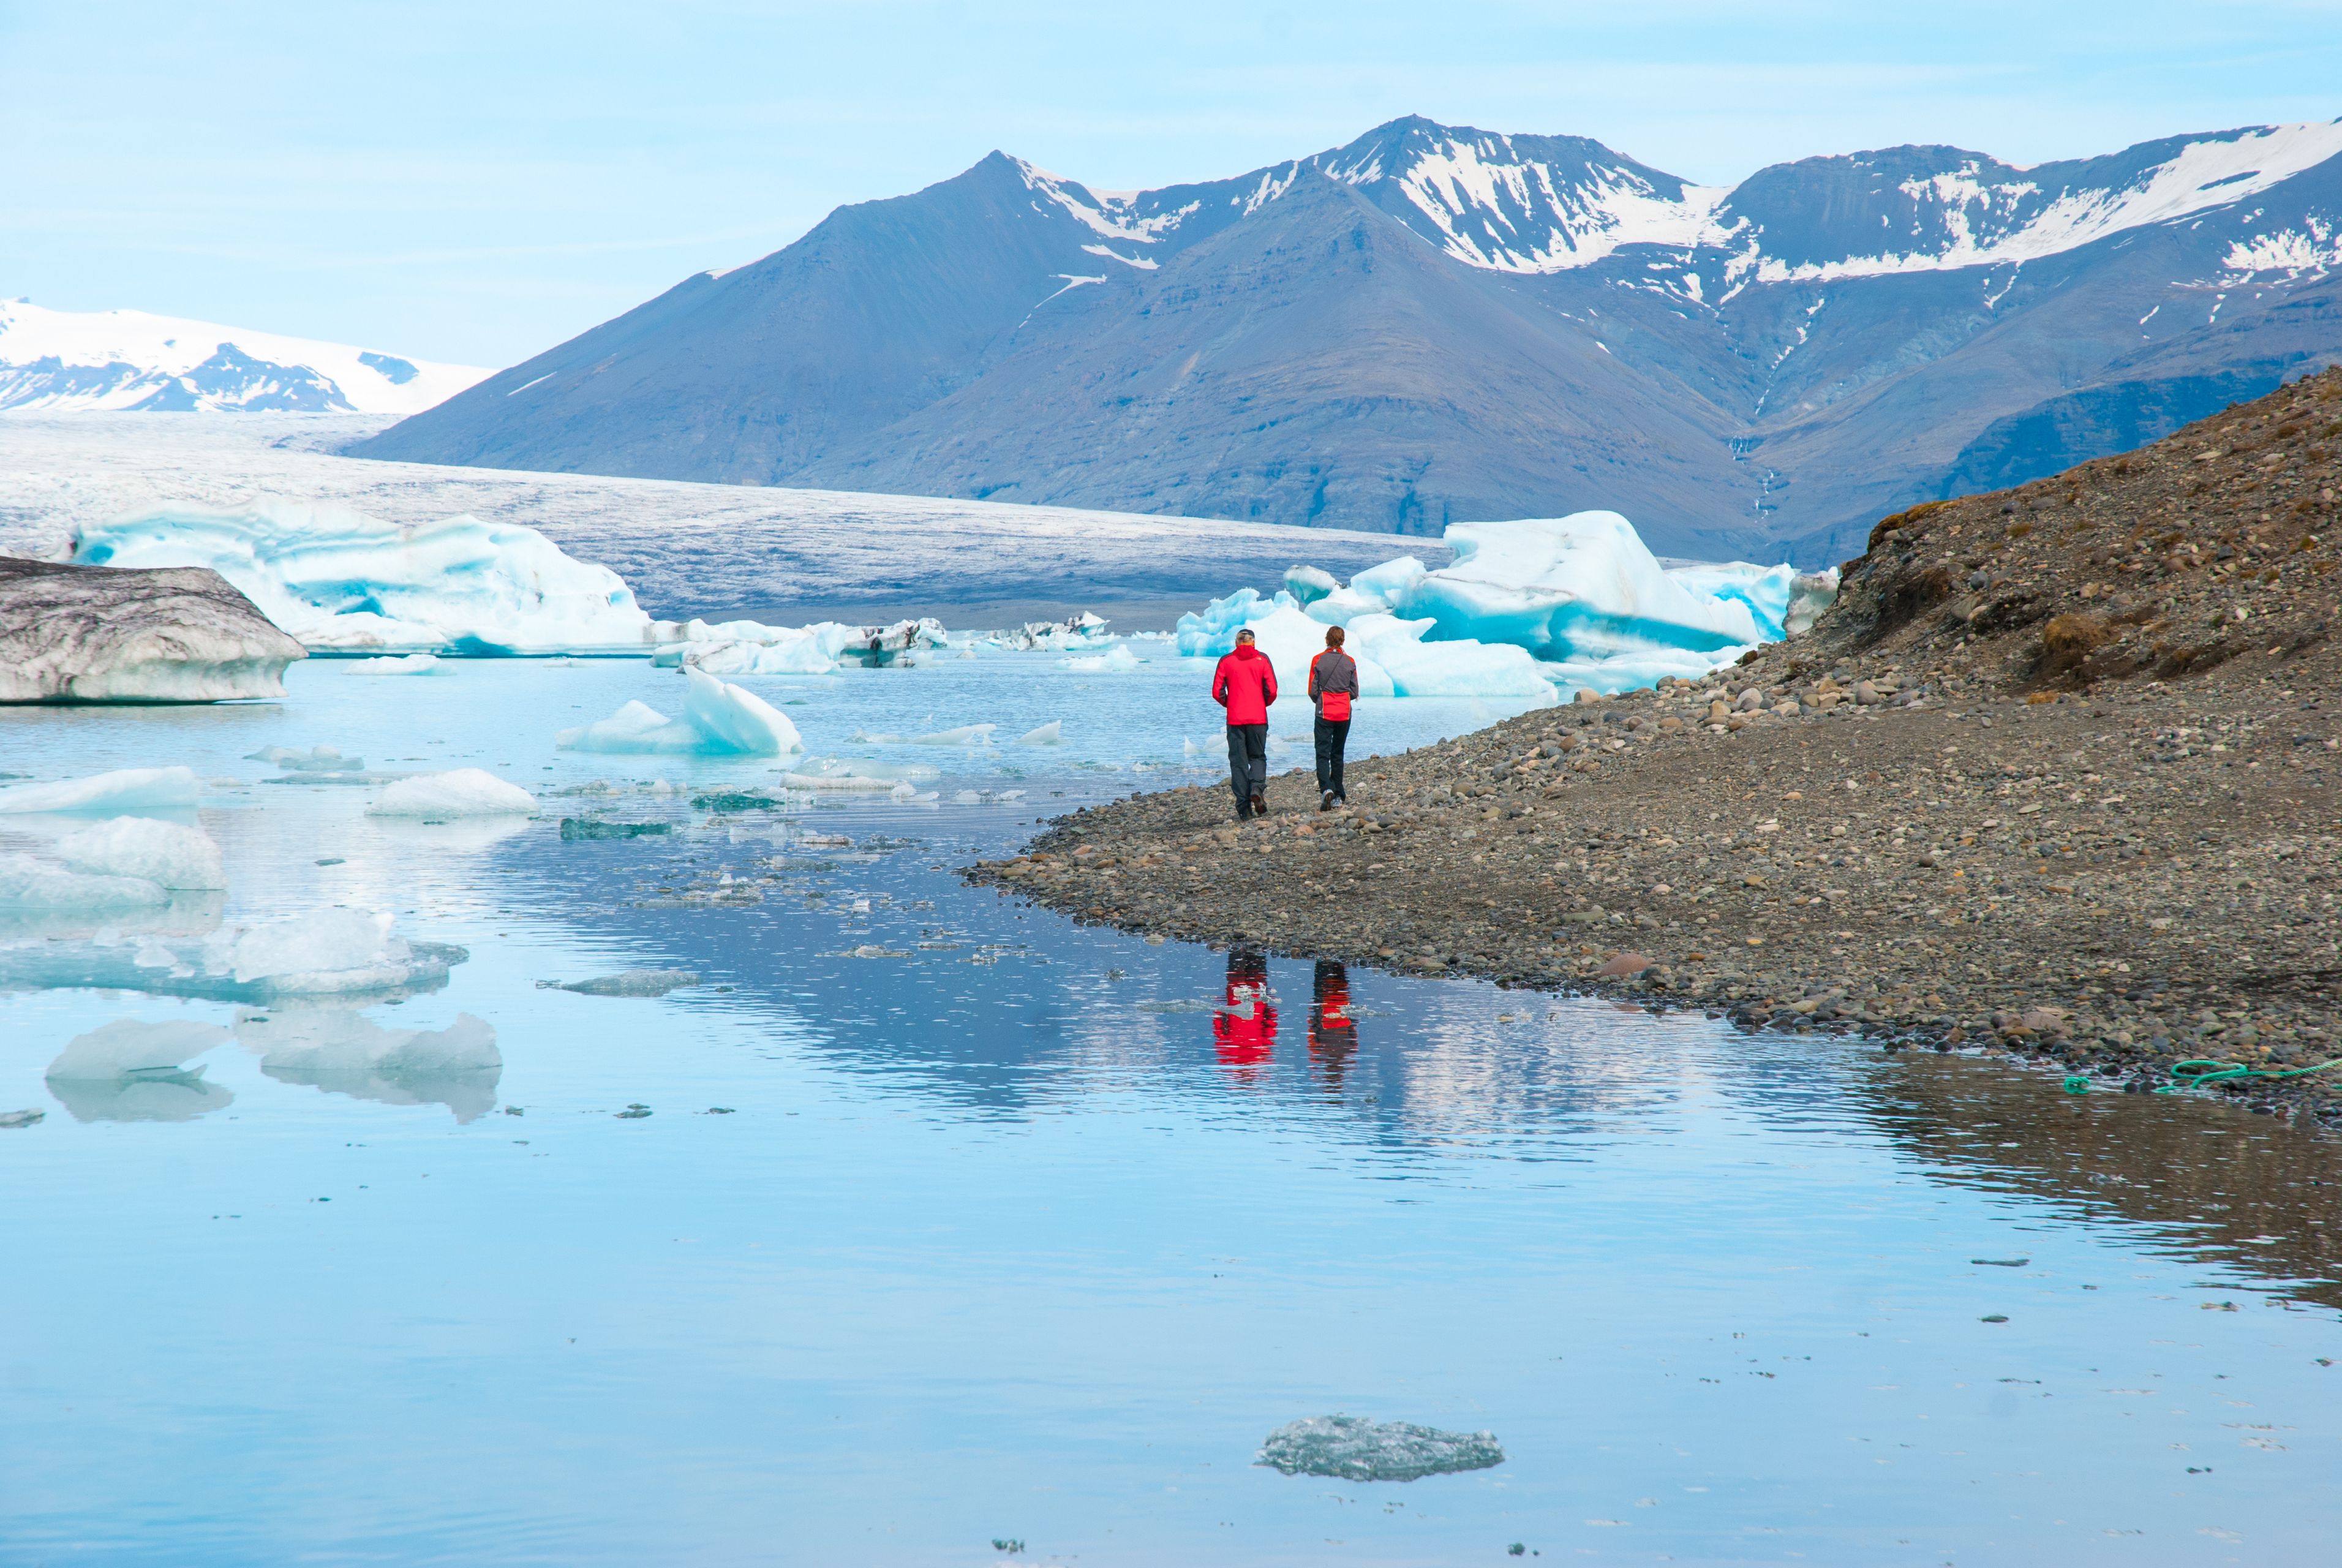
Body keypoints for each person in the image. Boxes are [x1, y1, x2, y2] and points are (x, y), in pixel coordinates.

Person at [1211, 626, 1277, 819]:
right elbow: (1272, 690)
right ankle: (1256, 788)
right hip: (1258, 718)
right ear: (1254, 642)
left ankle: (1244, 808)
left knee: (1238, 763)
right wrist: (1262, 703)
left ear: (1236, 643)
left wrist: (1229, 703)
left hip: (1235, 719)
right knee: (1257, 757)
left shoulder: (1227, 661)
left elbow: (1217, 691)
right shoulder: (1262, 660)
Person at [1306, 625, 1358, 811]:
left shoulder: (1318, 660)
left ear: (1327, 640)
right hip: (1344, 712)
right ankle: (1338, 794)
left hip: (1324, 712)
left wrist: (1321, 700)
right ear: (1343, 641)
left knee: (1322, 753)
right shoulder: (1350, 661)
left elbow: (1312, 690)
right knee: (1338, 753)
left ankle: (1326, 788)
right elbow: (1354, 691)